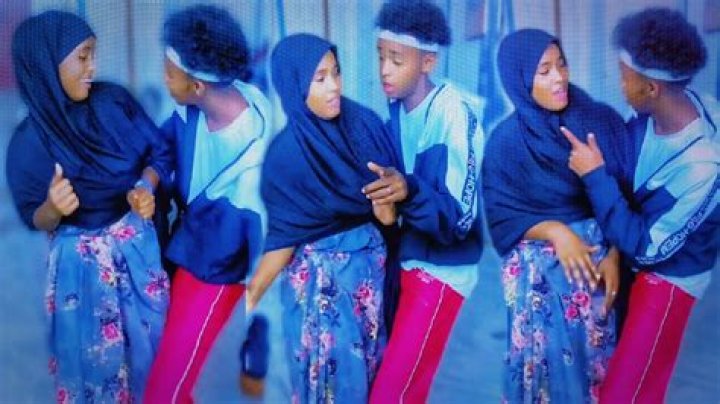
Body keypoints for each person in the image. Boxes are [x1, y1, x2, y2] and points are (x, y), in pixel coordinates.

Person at [7, 10, 171, 402]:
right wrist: (53, 208)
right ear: (47, 64)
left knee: (153, 362)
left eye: (93, 55)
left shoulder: (113, 102)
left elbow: (160, 153)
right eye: (83, 57)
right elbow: (33, 216)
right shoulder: (29, 143)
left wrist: (144, 187)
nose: (93, 67)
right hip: (80, 273)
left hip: (136, 253)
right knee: (94, 370)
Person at [560, 8, 719, 403]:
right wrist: (613, 251)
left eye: (624, 76)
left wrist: (595, 176)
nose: (620, 84)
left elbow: (648, 249)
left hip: (669, 279)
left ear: (651, 87)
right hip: (633, 251)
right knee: (628, 382)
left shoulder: (703, 165)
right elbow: (629, 195)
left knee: (625, 393)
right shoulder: (648, 115)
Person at [246, 33, 398, 403]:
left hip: (367, 282)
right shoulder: (285, 156)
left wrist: (387, 209)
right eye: (319, 79)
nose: (334, 86)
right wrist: (250, 295)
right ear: (295, 85)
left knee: (370, 375)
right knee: (331, 381)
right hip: (319, 292)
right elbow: (285, 237)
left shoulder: (364, 126)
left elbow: (390, 216)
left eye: (336, 73)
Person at [482, 29, 623, 403]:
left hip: (595, 273)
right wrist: (556, 232)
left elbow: (627, 196)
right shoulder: (505, 143)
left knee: (599, 376)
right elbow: (502, 219)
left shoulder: (600, 122)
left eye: (561, 64)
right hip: (539, 288)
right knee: (546, 378)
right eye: (544, 71)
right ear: (519, 79)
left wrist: (615, 254)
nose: (559, 77)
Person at [142, 5, 271, 403]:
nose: (164, 79)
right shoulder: (191, 108)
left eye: (170, 73)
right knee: (167, 374)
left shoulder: (255, 172)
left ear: (197, 85)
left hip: (216, 273)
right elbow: (164, 145)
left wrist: (255, 358)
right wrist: (147, 182)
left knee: (164, 391)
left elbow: (265, 270)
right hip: (189, 248)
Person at [364, 1, 485, 402]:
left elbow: (460, 219)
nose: (384, 69)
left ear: (428, 62)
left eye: (396, 60)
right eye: (381, 56)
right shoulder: (395, 114)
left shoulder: (455, 114)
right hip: (408, 263)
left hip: (443, 272)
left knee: (391, 394)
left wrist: (410, 190)